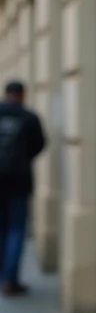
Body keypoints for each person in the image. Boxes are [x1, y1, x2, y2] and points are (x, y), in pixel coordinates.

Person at [0, 80, 44, 296]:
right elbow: (39, 145)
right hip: (19, 180)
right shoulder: (29, 117)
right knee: (16, 229)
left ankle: (3, 276)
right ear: (22, 95)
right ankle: (10, 279)